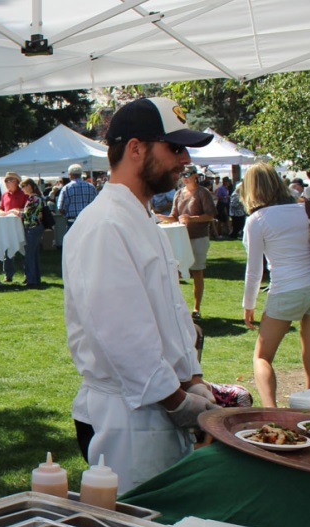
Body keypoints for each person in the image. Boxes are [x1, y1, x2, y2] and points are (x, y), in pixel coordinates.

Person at [62, 96, 218, 493]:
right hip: (129, 417)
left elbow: (170, 310)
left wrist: (194, 380)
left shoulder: (141, 216)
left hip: (158, 402)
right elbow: (122, 333)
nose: (184, 160)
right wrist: (178, 402)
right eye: (175, 148)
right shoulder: (103, 225)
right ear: (136, 148)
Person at [240, 163, 310, 408]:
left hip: (287, 289)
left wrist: (248, 305)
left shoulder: (257, 219)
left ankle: (272, 412)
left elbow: (254, 270)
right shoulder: (307, 208)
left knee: (262, 357)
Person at [160, 164, 215, 319]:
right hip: (180, 238)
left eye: (187, 174)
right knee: (175, 271)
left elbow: (210, 215)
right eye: (182, 175)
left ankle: (196, 308)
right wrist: (161, 217)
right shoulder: (178, 193)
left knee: (197, 271)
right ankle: (177, 307)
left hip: (198, 236)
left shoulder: (202, 193)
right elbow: (174, 216)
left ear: (195, 175)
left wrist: (191, 219)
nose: (184, 178)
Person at [13, 178, 44, 287]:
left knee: (30, 255)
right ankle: (35, 278)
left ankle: (31, 280)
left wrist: (15, 212)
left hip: (32, 228)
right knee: (34, 254)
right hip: (35, 227)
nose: (22, 190)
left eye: (23, 187)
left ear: (29, 186)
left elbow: (26, 215)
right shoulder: (36, 197)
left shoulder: (33, 198)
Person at [0, 171, 28, 282]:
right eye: (5, 181)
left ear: (16, 181)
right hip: (7, 226)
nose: (6, 183)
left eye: (8, 180)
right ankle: (8, 274)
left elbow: (27, 209)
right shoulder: (5, 195)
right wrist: (1, 212)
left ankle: (27, 274)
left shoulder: (23, 193)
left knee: (24, 249)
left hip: (21, 225)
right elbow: (1, 207)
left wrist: (16, 211)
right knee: (7, 249)